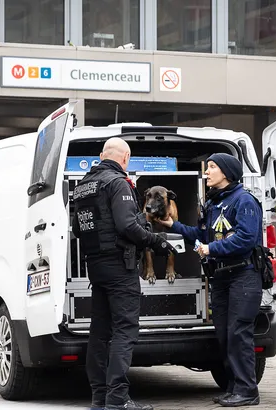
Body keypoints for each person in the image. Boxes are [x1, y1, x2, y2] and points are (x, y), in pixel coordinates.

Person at [71, 137, 177, 410]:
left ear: (101, 155)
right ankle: (117, 399)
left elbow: (78, 229)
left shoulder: (83, 186)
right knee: (124, 331)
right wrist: (157, 242)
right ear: (125, 158)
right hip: (120, 267)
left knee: (99, 332)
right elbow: (127, 226)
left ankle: (99, 398)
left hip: (96, 267)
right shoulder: (118, 183)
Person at [154, 153, 263, 407]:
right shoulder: (214, 203)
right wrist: (173, 225)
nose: (206, 172)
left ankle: (248, 391)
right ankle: (234, 388)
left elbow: (246, 239)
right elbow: (201, 236)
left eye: (212, 167)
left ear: (226, 172)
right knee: (225, 334)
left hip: (244, 276)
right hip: (222, 277)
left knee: (238, 333)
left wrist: (211, 249)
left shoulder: (244, 200)